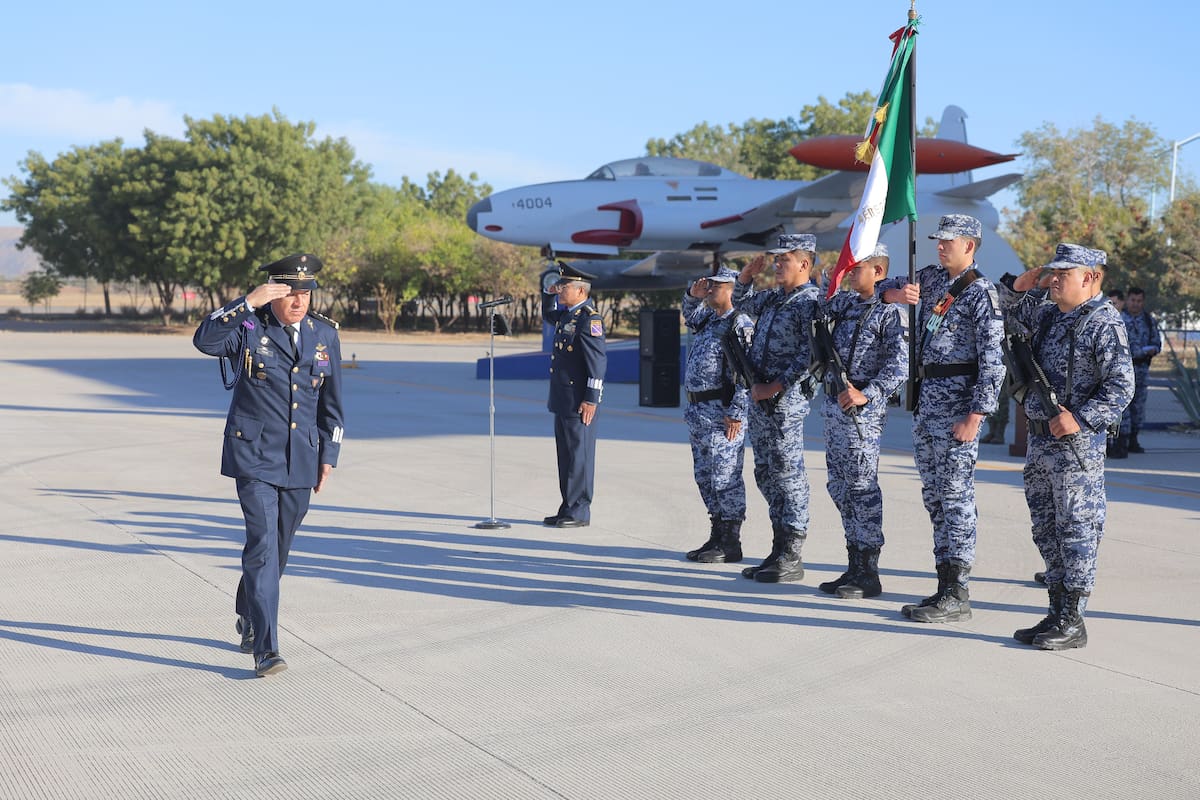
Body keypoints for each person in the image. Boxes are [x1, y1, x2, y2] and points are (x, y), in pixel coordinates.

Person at [193, 254, 345, 677]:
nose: (298, 300)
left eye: (305, 292)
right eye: (289, 292)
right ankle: (267, 648)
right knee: (261, 549)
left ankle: (248, 612)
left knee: (277, 552)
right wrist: (247, 301)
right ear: (274, 292)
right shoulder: (250, 326)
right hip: (254, 456)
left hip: (301, 458)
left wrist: (328, 456)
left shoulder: (323, 335)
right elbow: (204, 340)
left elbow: (332, 405)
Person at [1000, 244, 1133, 649]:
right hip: (1041, 442)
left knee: (1076, 530)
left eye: (1064, 274)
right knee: (1046, 530)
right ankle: (1056, 611)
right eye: (1053, 274)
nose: (1054, 280)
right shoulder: (1048, 313)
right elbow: (1007, 307)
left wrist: (1081, 417)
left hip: (1076, 447)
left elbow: (1121, 385)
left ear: (1090, 278)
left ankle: (1073, 620)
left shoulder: (1103, 323)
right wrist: (1032, 277)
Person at [880, 214, 1005, 623]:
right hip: (928, 406)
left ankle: (957, 590)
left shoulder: (980, 292)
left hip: (957, 410)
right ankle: (942, 584)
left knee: (956, 499)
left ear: (969, 245)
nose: (939, 246)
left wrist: (977, 414)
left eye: (948, 241)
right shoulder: (931, 279)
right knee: (935, 498)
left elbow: (992, 362)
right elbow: (881, 285)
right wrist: (896, 295)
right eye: (938, 240)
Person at [815, 243, 908, 599]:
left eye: (857, 267)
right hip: (835, 407)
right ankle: (854, 564)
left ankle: (869, 571)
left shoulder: (890, 313)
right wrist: (835, 272)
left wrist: (868, 394)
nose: (851, 271)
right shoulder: (850, 304)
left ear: (879, 272)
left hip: (861, 414)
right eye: (850, 266)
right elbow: (821, 303)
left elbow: (900, 365)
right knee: (839, 486)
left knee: (861, 489)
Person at [732, 233, 823, 583]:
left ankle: (792, 553)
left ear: (803, 263)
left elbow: (810, 354)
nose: (776, 264)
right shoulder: (773, 298)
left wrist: (777, 386)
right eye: (776, 259)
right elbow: (740, 305)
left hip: (785, 400)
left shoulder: (810, 302)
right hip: (760, 396)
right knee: (766, 472)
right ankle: (778, 546)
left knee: (789, 475)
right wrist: (745, 278)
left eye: (783, 259)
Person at [680, 266, 755, 562]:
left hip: (723, 414)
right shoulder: (710, 319)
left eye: (718, 286)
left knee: (726, 478)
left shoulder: (740, 323)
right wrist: (692, 295)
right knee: (705, 476)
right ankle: (717, 533)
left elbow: (745, 373)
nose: (711, 289)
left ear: (734, 289)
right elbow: (690, 315)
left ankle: (731, 541)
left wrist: (737, 412)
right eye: (709, 285)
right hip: (700, 412)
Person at [541, 262, 607, 528]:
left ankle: (579, 511)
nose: (560, 290)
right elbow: (549, 315)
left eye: (564, 286)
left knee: (580, 455)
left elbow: (597, 362)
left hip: (580, 400)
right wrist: (548, 292)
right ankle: (567, 506)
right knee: (566, 455)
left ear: (580, 291)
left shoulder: (589, 319)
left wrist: (591, 398)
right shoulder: (568, 315)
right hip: (563, 399)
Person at [1117, 286, 1161, 455]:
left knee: (1138, 408)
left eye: (1139, 301)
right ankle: (1121, 441)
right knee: (1124, 407)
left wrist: (1152, 350)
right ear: (1127, 300)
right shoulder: (1120, 319)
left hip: (1141, 371)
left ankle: (1134, 439)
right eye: (1133, 300)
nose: (1135, 304)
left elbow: (1157, 342)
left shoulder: (1149, 321)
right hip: (1125, 370)